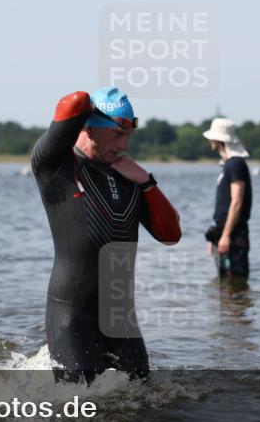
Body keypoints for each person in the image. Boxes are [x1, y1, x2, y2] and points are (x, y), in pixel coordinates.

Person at [31, 87, 182, 384]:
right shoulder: (55, 167)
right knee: (76, 411)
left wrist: (146, 182)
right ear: (89, 129)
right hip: (72, 315)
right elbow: (75, 102)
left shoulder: (128, 177)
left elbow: (171, 235)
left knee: (142, 401)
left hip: (121, 320)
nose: (124, 145)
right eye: (117, 134)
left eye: (128, 136)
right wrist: (97, 106)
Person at [202, 118, 253, 278]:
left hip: (234, 235)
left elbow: (236, 202)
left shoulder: (236, 164)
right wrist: (215, 237)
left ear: (218, 140)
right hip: (225, 232)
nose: (210, 140)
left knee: (234, 281)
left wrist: (225, 236)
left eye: (212, 138)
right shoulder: (229, 165)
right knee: (225, 286)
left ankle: (238, 303)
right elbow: (224, 207)